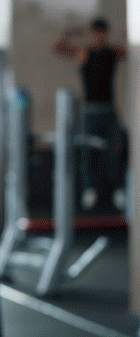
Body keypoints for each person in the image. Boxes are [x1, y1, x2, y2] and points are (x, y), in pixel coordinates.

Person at [53, 17, 126, 213]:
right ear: (94, 34)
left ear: (106, 34)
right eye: (97, 33)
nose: (100, 36)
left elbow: (129, 51)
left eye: (103, 33)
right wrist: (69, 32)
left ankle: (118, 190)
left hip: (108, 109)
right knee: (88, 153)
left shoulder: (112, 52)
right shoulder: (85, 52)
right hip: (89, 110)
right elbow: (58, 47)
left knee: (114, 150)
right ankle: (89, 189)